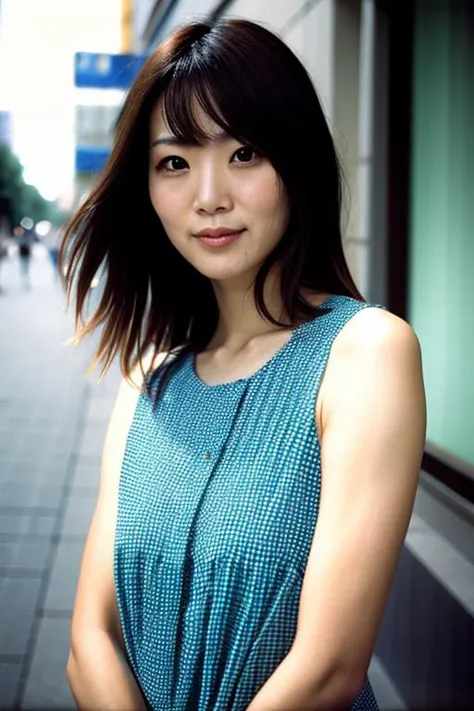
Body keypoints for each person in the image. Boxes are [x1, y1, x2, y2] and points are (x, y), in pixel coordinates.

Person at [61, 18, 426, 711]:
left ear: (299, 164)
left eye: (245, 153)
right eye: (175, 162)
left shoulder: (366, 354)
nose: (209, 197)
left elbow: (329, 668)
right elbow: (90, 638)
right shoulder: (148, 378)